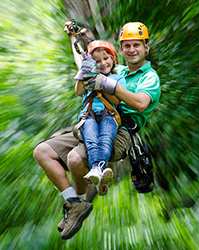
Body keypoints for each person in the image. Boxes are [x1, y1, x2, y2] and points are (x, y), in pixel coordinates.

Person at [33, 21, 160, 240]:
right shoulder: (114, 66)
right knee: (42, 152)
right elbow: (92, 57)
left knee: (74, 159)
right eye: (127, 45)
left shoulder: (149, 77)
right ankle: (74, 203)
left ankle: (86, 193)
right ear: (120, 50)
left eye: (136, 45)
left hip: (121, 129)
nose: (131, 50)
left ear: (146, 47)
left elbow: (140, 103)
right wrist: (75, 35)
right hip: (91, 119)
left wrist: (111, 87)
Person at [74, 40, 126, 190]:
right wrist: (84, 72)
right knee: (91, 141)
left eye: (106, 58)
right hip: (88, 115)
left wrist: (102, 84)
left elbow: (116, 100)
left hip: (109, 114)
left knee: (105, 139)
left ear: (113, 59)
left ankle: (97, 171)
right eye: (97, 61)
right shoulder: (88, 76)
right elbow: (78, 91)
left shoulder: (118, 79)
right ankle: (99, 173)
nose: (103, 63)